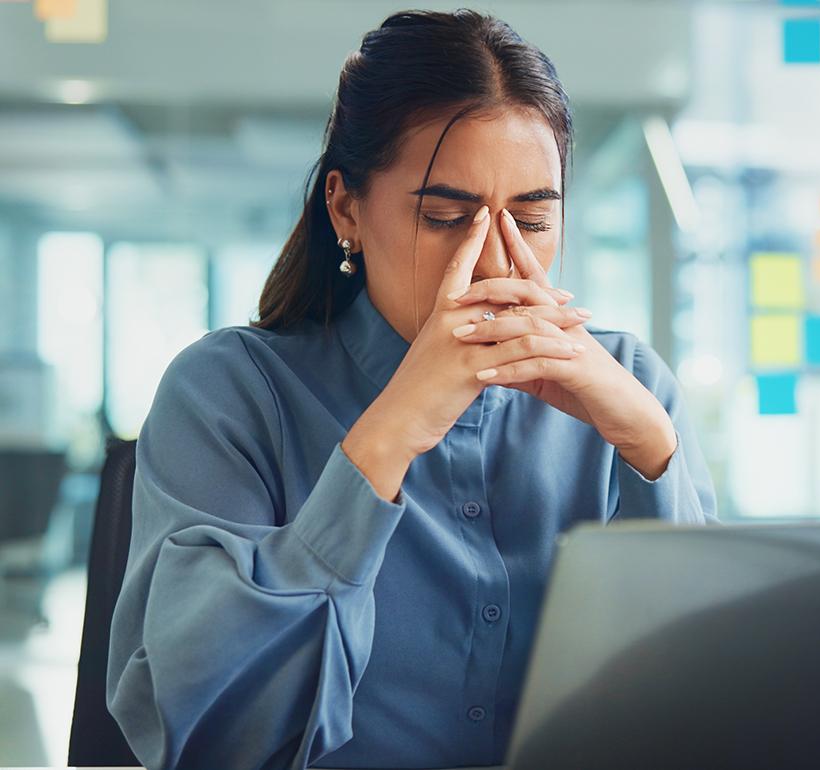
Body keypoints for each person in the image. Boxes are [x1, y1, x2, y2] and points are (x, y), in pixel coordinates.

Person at [106, 8, 719, 770]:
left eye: (532, 217)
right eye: (445, 216)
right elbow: (212, 736)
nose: (495, 260)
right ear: (345, 209)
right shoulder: (228, 393)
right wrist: (386, 437)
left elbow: (706, 715)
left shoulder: (633, 385)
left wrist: (651, 449)